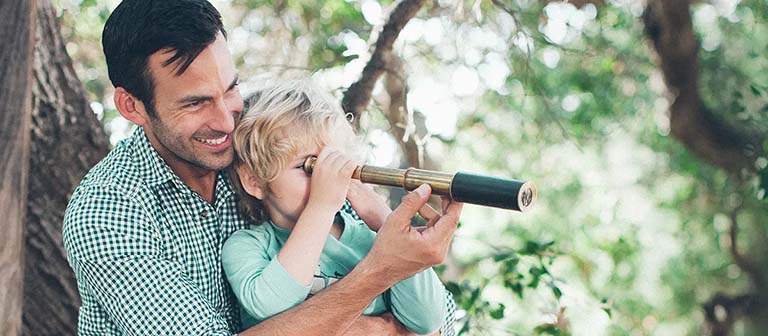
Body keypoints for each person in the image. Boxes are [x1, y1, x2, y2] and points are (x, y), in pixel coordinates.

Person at [62, 0, 463, 335]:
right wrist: (376, 296)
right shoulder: (106, 213)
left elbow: (439, 322)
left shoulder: (266, 148)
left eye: (231, 89)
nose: (225, 120)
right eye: (195, 103)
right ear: (132, 106)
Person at [223, 80, 448, 335]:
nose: (325, 180)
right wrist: (320, 207)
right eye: (308, 167)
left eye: (334, 166)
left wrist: (386, 222)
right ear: (254, 180)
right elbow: (271, 308)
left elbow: (426, 320)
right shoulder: (246, 246)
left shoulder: (367, 238)